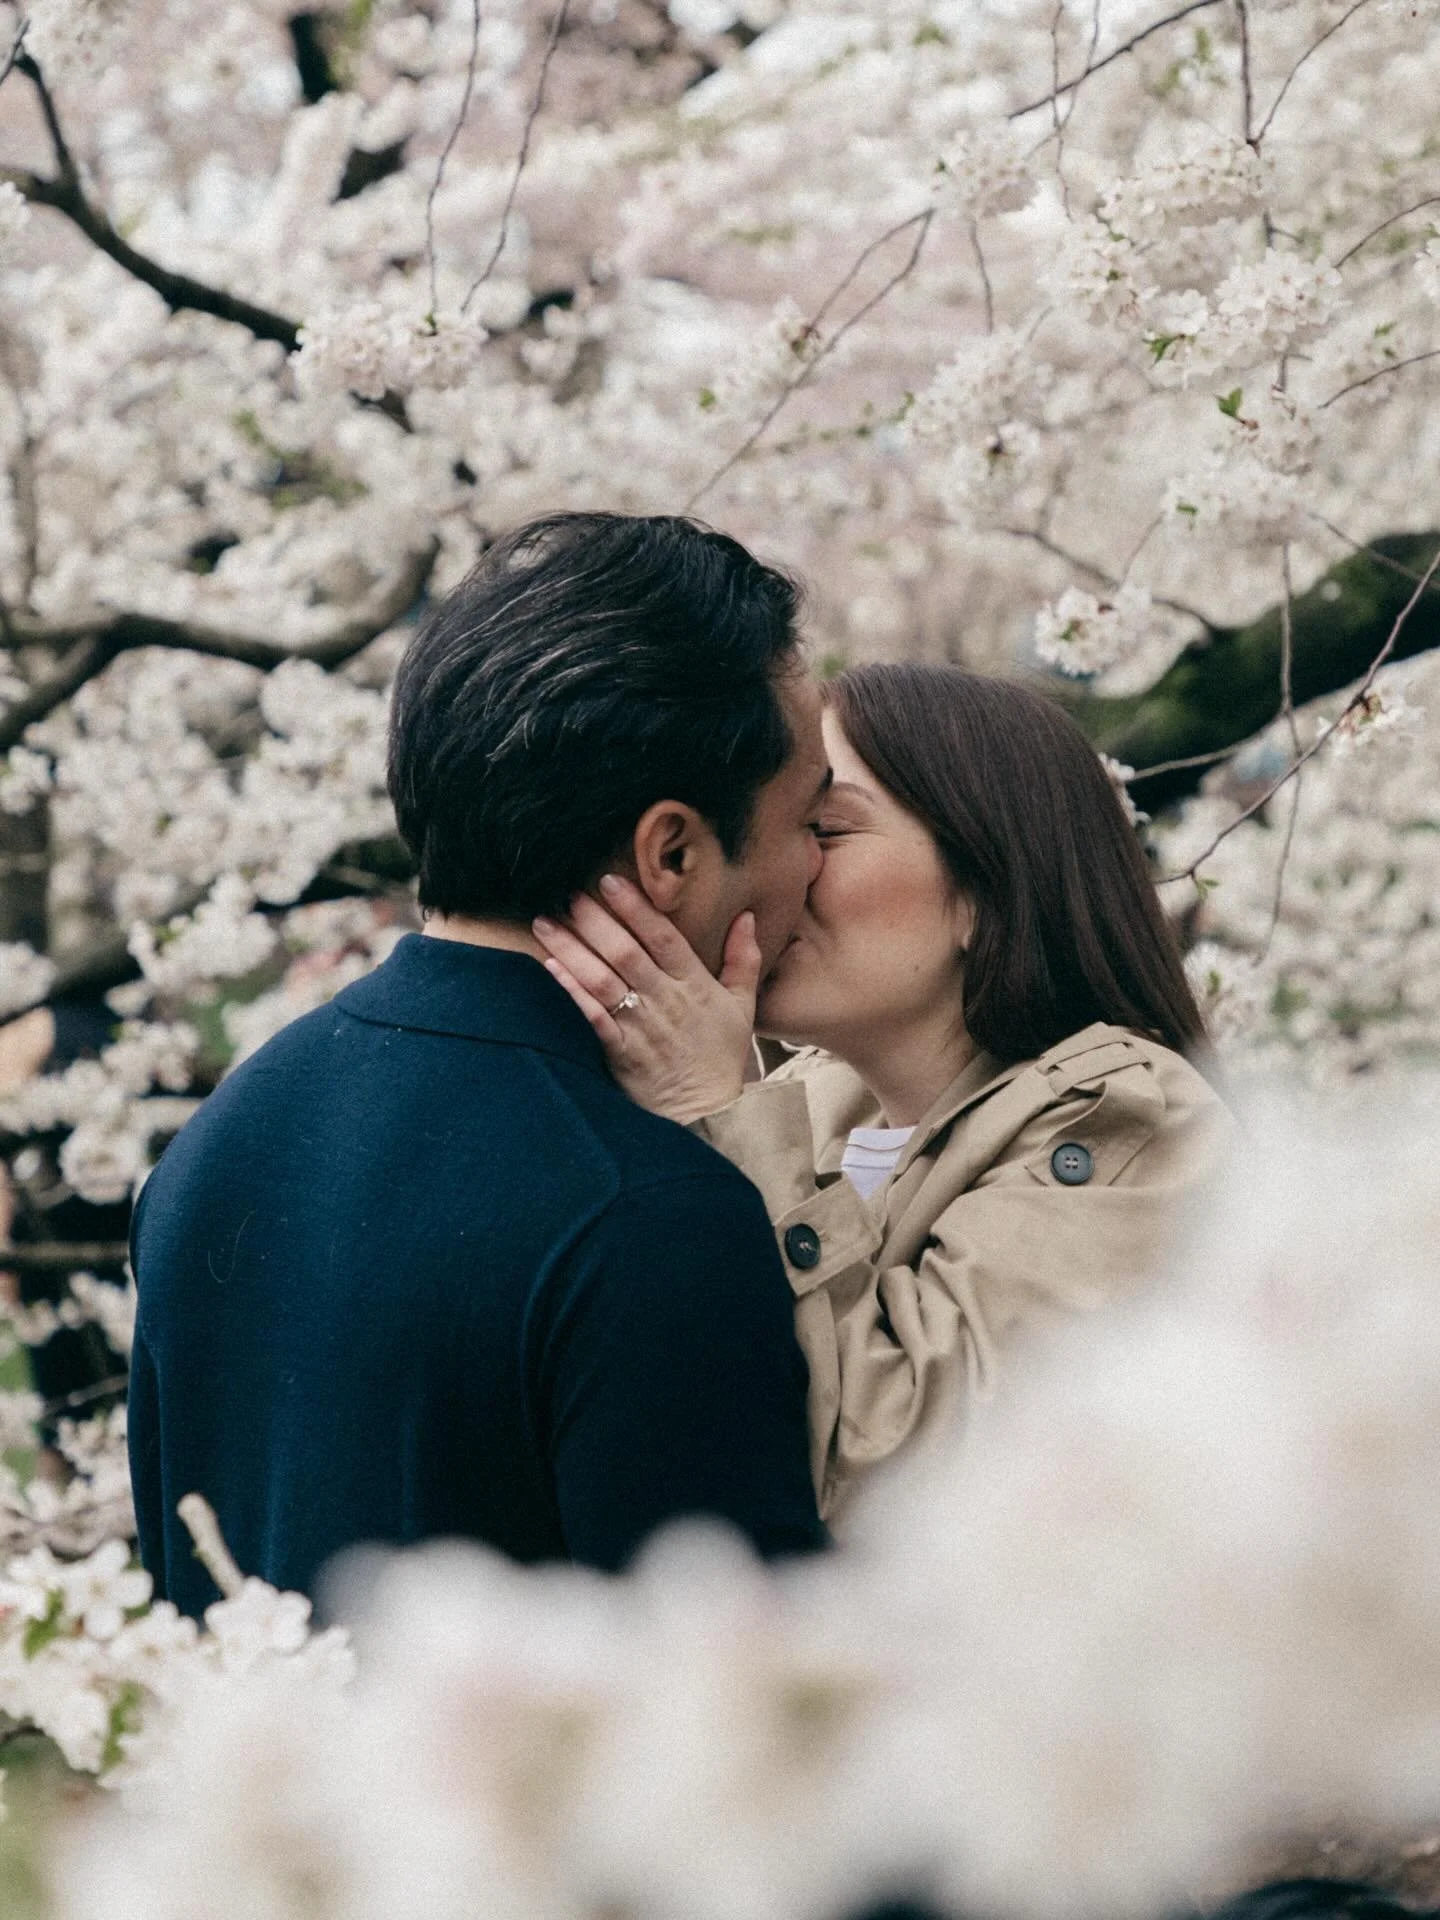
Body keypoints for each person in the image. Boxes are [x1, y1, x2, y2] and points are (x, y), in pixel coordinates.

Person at [128, 512, 832, 1616]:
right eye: (814, 817)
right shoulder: (650, 1213)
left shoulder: (219, 1140)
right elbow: (739, 1726)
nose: (818, 866)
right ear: (674, 852)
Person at [534, 662, 1235, 1527]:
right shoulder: (802, 1103)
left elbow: (910, 1487)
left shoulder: (1130, 1120)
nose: (779, 868)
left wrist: (711, 1107)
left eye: (823, 827)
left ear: (985, 888)